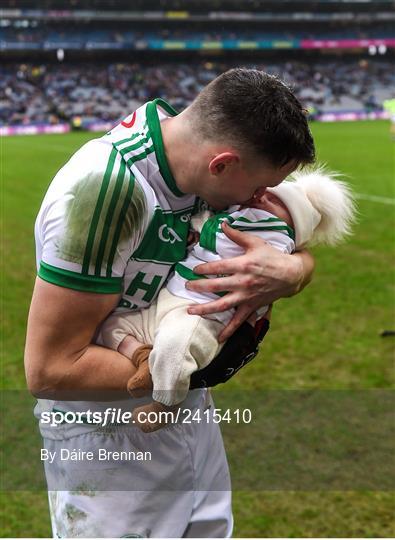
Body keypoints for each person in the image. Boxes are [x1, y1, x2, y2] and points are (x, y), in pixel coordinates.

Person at [25, 68, 315, 537]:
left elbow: (286, 242)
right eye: (258, 188)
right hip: (109, 434)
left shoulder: (197, 166)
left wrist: (294, 272)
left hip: (183, 409)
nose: (260, 200)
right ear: (222, 163)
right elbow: (51, 369)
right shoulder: (105, 192)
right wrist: (190, 366)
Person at [100, 168, 356, 432]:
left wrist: (296, 268)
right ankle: (143, 357)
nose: (264, 197)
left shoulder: (272, 232)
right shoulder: (240, 213)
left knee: (174, 349)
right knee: (113, 326)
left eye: (277, 202)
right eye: (270, 194)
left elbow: (272, 249)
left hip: (201, 313)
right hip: (169, 297)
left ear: (293, 224)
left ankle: (166, 404)